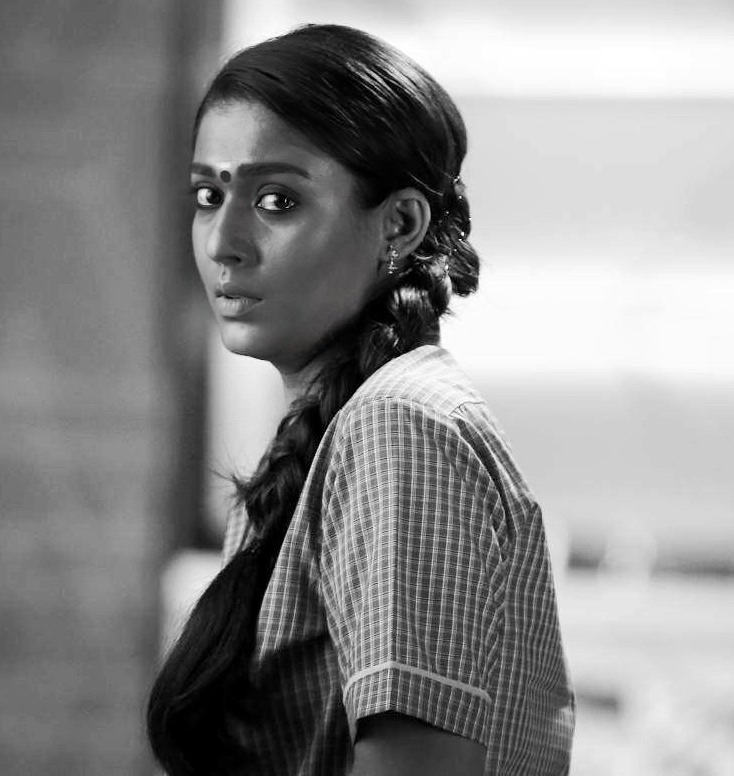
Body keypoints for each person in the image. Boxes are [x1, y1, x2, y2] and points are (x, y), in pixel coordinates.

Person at [147, 23, 574, 776]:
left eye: (276, 200)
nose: (221, 242)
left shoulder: (399, 425)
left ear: (399, 225)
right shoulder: (327, 436)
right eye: (209, 196)